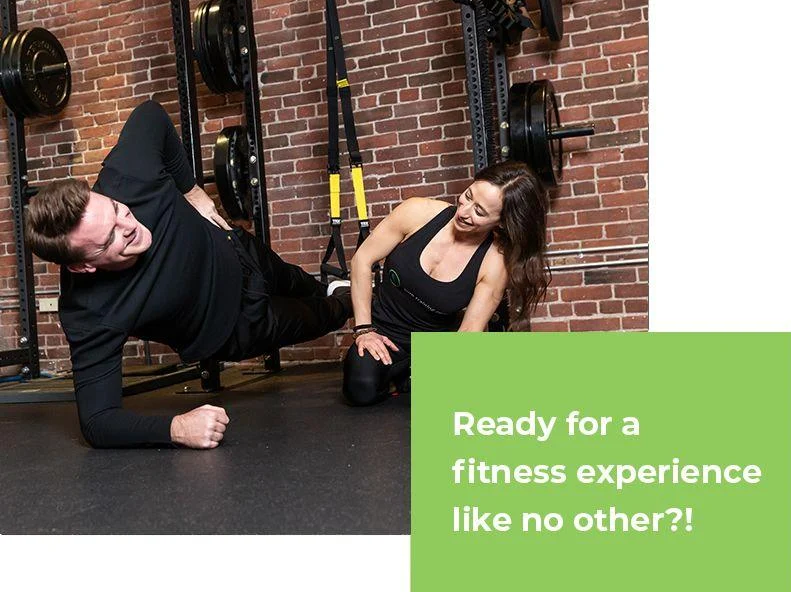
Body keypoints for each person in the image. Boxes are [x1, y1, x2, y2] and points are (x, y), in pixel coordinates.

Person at [24, 100, 352, 450]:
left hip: (238, 252)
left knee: (299, 281)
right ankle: (359, 304)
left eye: (118, 211)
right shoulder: (89, 312)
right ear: (82, 265)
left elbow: (150, 113)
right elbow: (97, 421)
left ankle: (336, 289)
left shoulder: (125, 175)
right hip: (239, 325)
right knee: (323, 314)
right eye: (111, 238)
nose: (130, 226)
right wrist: (175, 428)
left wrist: (192, 190)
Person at [341, 160, 550, 406]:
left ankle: (412, 377)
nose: (463, 212)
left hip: (436, 345)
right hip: (383, 331)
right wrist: (364, 330)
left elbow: (469, 331)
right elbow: (362, 260)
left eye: (479, 212)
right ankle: (401, 377)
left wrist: (447, 372)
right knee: (360, 389)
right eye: (468, 196)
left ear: (501, 222)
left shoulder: (495, 262)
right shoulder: (417, 212)